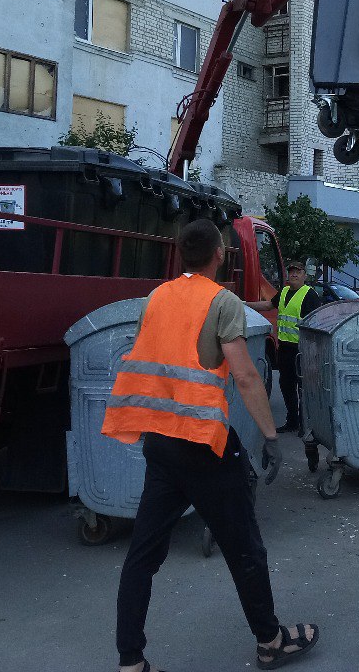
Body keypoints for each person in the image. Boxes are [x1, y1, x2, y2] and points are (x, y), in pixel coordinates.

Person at [102, 219, 321, 672]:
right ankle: (270, 641)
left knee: (142, 556)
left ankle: (131, 662)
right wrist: (271, 436)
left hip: (160, 442)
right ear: (221, 254)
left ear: (181, 254)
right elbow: (244, 376)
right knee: (245, 548)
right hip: (204, 444)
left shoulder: (155, 298)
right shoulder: (222, 302)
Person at [246, 260, 320, 434]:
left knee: (303, 388)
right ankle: (292, 421)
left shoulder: (310, 295)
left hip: (302, 350)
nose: (293, 274)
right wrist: (244, 304)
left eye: (298, 272)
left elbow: (317, 321)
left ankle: (305, 425)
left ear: (304, 275)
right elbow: (268, 305)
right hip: (285, 348)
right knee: (286, 385)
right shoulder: (284, 292)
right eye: (291, 271)